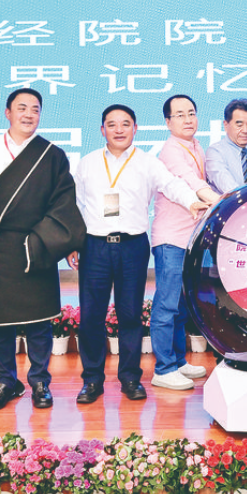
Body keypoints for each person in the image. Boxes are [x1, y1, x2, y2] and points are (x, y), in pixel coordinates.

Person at [68, 104, 208, 402]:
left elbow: (172, 185)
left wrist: (191, 201)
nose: (119, 129)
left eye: (125, 124)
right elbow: (75, 205)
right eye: (112, 124)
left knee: (130, 315)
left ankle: (130, 378)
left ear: (135, 128)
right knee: (91, 316)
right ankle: (91, 380)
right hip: (94, 246)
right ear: (102, 130)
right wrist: (73, 242)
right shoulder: (87, 163)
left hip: (132, 246)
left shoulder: (147, 162)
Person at [0, 88, 87, 411]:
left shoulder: (52, 155)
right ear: (8, 113)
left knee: (39, 321)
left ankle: (40, 382)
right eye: (22, 108)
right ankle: (4, 382)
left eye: (35, 109)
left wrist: (64, 242)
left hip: (38, 244)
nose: (29, 114)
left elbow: (64, 204)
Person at [149, 95, 220, 391]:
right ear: (168, 122)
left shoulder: (196, 146)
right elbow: (194, 183)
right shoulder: (170, 151)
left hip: (190, 238)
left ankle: (177, 362)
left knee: (180, 305)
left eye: (191, 113)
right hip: (171, 238)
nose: (188, 119)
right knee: (166, 305)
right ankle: (163, 369)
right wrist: (222, 203)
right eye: (179, 115)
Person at [205, 98, 247, 194]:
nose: (245, 130)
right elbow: (228, 187)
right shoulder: (215, 152)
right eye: (239, 125)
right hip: (233, 203)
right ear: (226, 125)